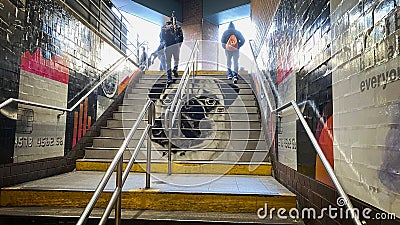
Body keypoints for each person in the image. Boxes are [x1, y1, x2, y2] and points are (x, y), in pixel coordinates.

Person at [160, 12, 184, 84]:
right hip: (174, 46)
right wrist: (179, 44)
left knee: (168, 62)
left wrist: (164, 44)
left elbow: (161, 38)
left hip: (167, 46)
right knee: (176, 59)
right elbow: (181, 37)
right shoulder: (177, 27)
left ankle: (169, 77)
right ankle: (174, 70)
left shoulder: (164, 27)